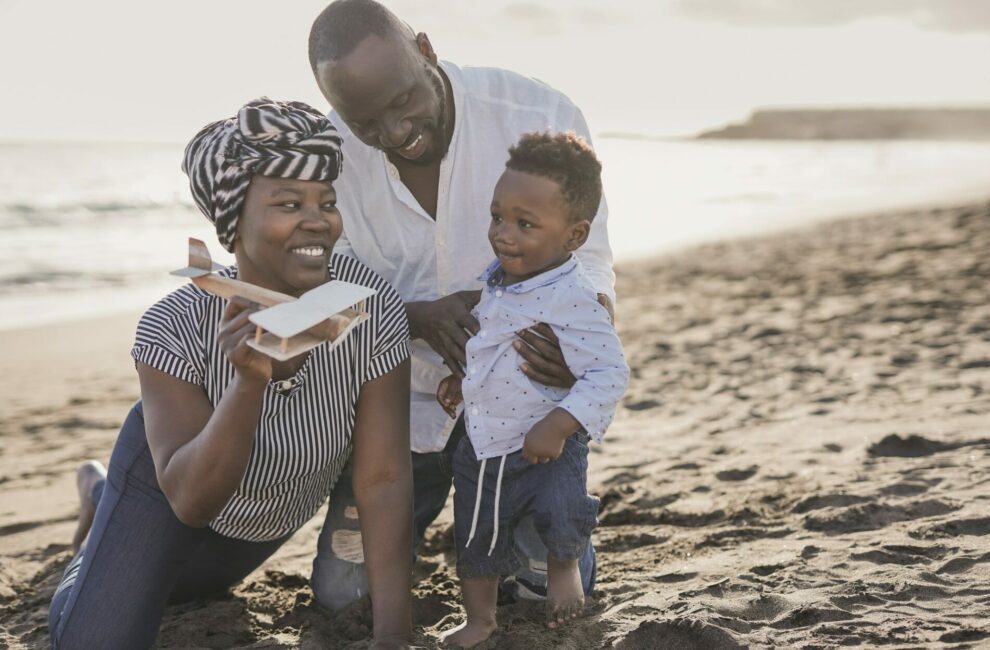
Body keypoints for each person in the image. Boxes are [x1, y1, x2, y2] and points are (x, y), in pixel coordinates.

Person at [48, 98, 414, 650]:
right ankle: (108, 502)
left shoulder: (371, 304)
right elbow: (191, 503)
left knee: (187, 590)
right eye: (290, 202)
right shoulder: (172, 325)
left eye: (328, 201)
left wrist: (394, 636)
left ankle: (101, 501)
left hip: (253, 530)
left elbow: (383, 479)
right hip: (168, 484)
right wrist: (247, 383)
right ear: (232, 220)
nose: (318, 219)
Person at [307, 0, 618, 606]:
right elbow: (318, 291)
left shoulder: (538, 115)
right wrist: (410, 316)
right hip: (398, 411)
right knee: (343, 597)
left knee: (535, 596)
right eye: (367, 122)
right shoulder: (330, 158)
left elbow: (591, 262)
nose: (394, 132)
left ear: (425, 50)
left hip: (520, 409)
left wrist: (564, 341)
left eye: (401, 102)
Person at [435, 132, 629, 646]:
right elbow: (492, 344)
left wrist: (559, 424)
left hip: (549, 441)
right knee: (477, 535)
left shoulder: (574, 297)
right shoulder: (501, 277)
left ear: (574, 235)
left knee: (562, 509)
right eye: (498, 217)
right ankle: (480, 621)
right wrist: (462, 381)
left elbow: (610, 374)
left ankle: (564, 567)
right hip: (487, 443)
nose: (503, 234)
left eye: (525, 224)